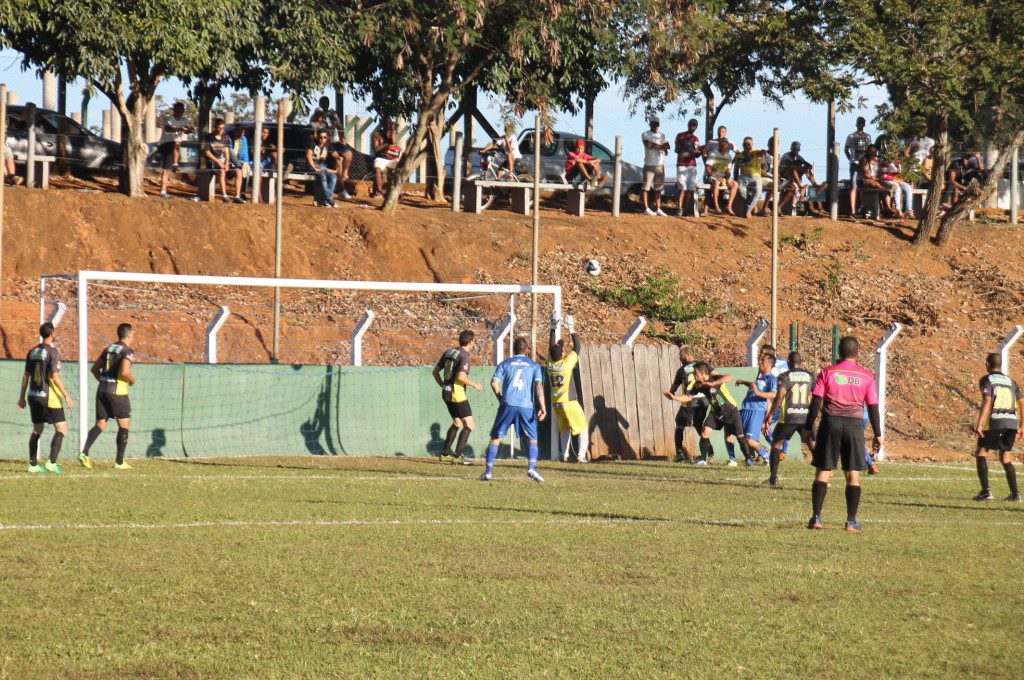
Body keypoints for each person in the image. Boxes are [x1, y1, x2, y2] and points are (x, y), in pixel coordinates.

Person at [803, 336, 881, 533]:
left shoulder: (827, 372)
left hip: (830, 423)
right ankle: (851, 521)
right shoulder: (866, 376)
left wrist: (808, 425)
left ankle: (816, 518)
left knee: (824, 469)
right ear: (857, 353)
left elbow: (816, 401)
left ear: (839, 352)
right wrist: (878, 433)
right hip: (854, 425)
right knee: (852, 473)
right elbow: (872, 407)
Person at [482, 337, 547, 482]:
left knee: (496, 438)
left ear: (513, 349)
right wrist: (543, 407)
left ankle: (488, 472)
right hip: (526, 406)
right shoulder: (534, 365)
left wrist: (501, 399)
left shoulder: (505, 363)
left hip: (507, 405)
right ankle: (531, 468)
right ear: (527, 350)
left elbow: (494, 383)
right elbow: (538, 386)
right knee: (532, 439)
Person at [665, 362, 753, 467]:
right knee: (704, 433)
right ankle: (703, 460)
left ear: (702, 373)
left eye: (696, 373)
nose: (694, 375)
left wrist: (713, 384)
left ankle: (749, 460)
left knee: (740, 437)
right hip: (716, 413)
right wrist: (674, 397)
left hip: (730, 411)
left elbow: (729, 377)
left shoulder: (714, 378)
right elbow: (688, 397)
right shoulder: (698, 385)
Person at [17, 322, 74, 474]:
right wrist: (67, 396)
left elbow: (26, 376)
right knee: (62, 429)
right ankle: (51, 463)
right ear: (52, 334)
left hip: (33, 395)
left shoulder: (32, 352)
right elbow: (55, 376)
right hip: (49, 397)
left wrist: (21, 397)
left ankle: (33, 465)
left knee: (37, 429)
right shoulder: (53, 352)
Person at [80, 323, 137, 470]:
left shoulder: (109, 348)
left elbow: (94, 369)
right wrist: (132, 380)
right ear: (128, 335)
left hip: (102, 390)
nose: (133, 337)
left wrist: (105, 381)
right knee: (124, 425)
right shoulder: (127, 351)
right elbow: (124, 371)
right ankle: (119, 462)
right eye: (133, 334)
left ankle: (84, 452)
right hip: (117, 392)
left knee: (100, 424)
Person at [972, 353, 1023, 502]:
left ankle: (986, 491)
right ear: (1000, 365)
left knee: (981, 452)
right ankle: (1015, 494)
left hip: (995, 421)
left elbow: (987, 400)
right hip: (1011, 423)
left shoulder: (987, 379)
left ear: (987, 364)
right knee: (1005, 457)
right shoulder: (1011, 381)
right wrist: (1022, 425)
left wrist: (980, 424)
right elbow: (1022, 402)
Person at [762, 351, 814, 487]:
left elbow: (779, 396)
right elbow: (816, 395)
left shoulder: (785, 376)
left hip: (789, 417)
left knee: (776, 444)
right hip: (805, 416)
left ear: (788, 362)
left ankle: (773, 477)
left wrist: (770, 414)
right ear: (800, 362)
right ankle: (824, 475)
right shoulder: (809, 376)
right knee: (813, 445)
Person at [432, 330, 482, 465]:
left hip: (446, 393)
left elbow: (435, 372)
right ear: (471, 342)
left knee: (457, 423)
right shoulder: (464, 355)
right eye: (474, 342)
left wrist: (443, 385)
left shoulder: (449, 352)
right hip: (457, 394)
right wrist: (475, 385)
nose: (474, 344)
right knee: (470, 425)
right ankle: (457, 457)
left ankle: (444, 454)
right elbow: (461, 377)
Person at [546, 322, 589, 463]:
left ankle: (564, 455)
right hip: (569, 402)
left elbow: (551, 348)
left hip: (556, 403)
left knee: (564, 429)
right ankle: (581, 455)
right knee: (583, 428)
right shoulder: (566, 365)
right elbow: (577, 347)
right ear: (562, 354)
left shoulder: (550, 364)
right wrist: (572, 330)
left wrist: (552, 330)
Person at [735, 354, 778, 466]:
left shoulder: (771, 378)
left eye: (762, 360)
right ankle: (755, 456)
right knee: (741, 436)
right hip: (746, 409)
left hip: (756, 411)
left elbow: (773, 395)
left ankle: (768, 458)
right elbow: (753, 385)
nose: (759, 362)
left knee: (750, 440)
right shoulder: (761, 377)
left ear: (769, 364)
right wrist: (743, 382)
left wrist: (767, 417)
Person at [663, 345, 700, 463]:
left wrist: (671, 394)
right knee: (700, 427)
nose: (680, 358)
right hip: (702, 402)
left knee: (679, 425)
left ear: (688, 355)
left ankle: (679, 454)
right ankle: (707, 453)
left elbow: (675, 386)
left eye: (681, 355)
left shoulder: (682, 370)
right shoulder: (702, 366)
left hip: (688, 402)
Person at [157, 102, 193, 198]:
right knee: (166, 169)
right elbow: (168, 129)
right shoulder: (169, 119)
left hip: (175, 148)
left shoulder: (184, 121)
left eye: (181, 110)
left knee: (167, 169)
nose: (180, 112)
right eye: (178, 110)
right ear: (174, 110)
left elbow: (190, 129)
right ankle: (163, 192)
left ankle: (175, 164)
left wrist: (189, 129)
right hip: (165, 145)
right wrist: (181, 129)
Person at [201, 118, 236, 203]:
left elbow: (227, 152)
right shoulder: (208, 137)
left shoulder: (225, 137)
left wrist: (227, 163)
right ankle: (224, 195)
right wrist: (218, 162)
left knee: (238, 172)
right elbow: (207, 153)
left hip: (223, 162)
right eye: (219, 128)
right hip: (213, 161)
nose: (221, 130)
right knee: (222, 172)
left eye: (223, 128)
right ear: (215, 127)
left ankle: (238, 196)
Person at [641, 116, 670, 216]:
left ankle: (658, 208)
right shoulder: (645, 134)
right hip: (649, 164)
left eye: (657, 123)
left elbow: (668, 146)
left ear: (659, 124)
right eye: (653, 123)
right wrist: (661, 146)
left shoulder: (662, 135)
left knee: (658, 188)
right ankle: (646, 208)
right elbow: (648, 145)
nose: (655, 125)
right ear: (650, 124)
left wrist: (660, 146)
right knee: (646, 187)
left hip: (660, 164)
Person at [733, 137, 768, 218]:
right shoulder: (739, 156)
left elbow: (762, 153)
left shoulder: (756, 152)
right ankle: (751, 205)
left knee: (758, 191)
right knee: (741, 191)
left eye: (748, 144)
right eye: (745, 144)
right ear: (742, 145)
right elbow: (736, 169)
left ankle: (748, 210)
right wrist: (735, 180)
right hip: (743, 176)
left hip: (756, 176)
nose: (746, 146)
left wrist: (763, 152)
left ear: (752, 145)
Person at [845, 117, 873, 216]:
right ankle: (853, 210)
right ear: (856, 124)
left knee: (864, 186)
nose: (860, 124)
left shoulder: (867, 137)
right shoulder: (851, 136)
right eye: (859, 122)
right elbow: (846, 149)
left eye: (862, 123)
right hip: (854, 164)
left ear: (864, 124)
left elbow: (870, 150)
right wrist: (850, 159)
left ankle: (863, 208)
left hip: (864, 165)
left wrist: (868, 161)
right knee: (853, 186)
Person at [778, 142, 818, 212]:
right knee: (793, 169)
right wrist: (801, 168)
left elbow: (809, 165)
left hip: (797, 177)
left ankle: (815, 186)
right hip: (786, 175)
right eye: (794, 149)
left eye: (797, 149)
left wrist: (806, 168)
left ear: (799, 150)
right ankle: (800, 186)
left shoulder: (799, 157)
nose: (795, 151)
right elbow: (790, 166)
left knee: (808, 171)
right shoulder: (786, 156)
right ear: (791, 148)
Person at [704, 134, 738, 215]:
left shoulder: (729, 157)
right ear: (719, 144)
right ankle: (716, 207)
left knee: (735, 184)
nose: (724, 145)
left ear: (727, 145)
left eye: (725, 143)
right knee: (716, 182)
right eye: (722, 143)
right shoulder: (713, 154)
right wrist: (717, 177)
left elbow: (728, 170)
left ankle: (729, 206)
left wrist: (727, 176)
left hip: (723, 178)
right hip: (712, 176)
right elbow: (708, 169)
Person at [674, 118, 702, 216]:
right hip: (682, 165)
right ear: (688, 125)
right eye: (691, 124)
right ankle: (679, 208)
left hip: (691, 165)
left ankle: (686, 209)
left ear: (696, 127)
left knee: (690, 189)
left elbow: (697, 152)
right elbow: (676, 149)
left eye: (694, 125)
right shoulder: (680, 136)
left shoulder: (696, 139)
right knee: (682, 188)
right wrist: (686, 147)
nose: (692, 127)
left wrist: (698, 153)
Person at [306, 129, 338, 208]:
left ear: (327, 138)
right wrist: (314, 168)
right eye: (320, 137)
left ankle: (327, 199)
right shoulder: (313, 144)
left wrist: (336, 170)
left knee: (333, 176)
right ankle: (329, 199)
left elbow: (338, 157)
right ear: (317, 137)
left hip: (322, 167)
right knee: (322, 176)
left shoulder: (328, 145)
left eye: (324, 137)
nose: (322, 139)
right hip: (312, 166)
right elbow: (308, 155)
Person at [372, 120, 402, 198]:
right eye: (387, 124)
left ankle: (394, 193)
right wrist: (386, 145)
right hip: (381, 157)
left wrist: (392, 130)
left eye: (390, 124)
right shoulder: (377, 134)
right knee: (377, 169)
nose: (388, 125)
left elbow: (394, 141)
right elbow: (376, 149)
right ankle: (379, 193)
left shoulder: (394, 133)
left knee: (399, 170)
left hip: (393, 158)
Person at [880, 156, 914, 220]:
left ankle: (908, 209)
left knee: (908, 187)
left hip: (895, 180)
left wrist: (898, 166)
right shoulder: (885, 162)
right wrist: (896, 180)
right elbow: (884, 175)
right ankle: (898, 209)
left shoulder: (897, 163)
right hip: (887, 180)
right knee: (897, 187)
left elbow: (898, 173)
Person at [227, 126, 251, 203]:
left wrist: (245, 163)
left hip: (239, 162)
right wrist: (240, 164)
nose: (241, 134)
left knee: (247, 169)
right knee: (231, 151)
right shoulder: (228, 138)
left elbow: (245, 154)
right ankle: (240, 165)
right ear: (234, 131)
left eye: (242, 132)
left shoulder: (243, 139)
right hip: (229, 162)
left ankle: (243, 193)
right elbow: (229, 153)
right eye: (239, 132)